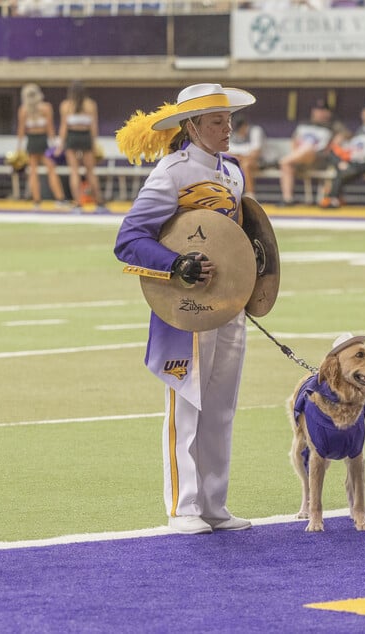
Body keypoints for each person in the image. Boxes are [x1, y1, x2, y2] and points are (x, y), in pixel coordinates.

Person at [113, 83, 257, 535]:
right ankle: (182, 505)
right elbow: (129, 240)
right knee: (186, 404)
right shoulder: (170, 174)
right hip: (186, 307)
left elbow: (239, 239)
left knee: (221, 407)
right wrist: (177, 264)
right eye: (216, 121)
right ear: (192, 127)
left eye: (229, 120)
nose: (227, 128)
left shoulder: (233, 173)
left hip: (228, 306)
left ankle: (214, 503)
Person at [319, 102, 365, 209]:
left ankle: (332, 198)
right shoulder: (362, 128)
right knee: (333, 155)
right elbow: (354, 145)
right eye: (364, 113)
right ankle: (334, 196)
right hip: (353, 159)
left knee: (343, 172)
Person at [277, 99, 343, 206]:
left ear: (328, 113)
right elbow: (295, 140)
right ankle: (287, 199)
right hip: (299, 157)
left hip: (319, 158)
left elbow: (342, 139)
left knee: (307, 148)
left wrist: (337, 140)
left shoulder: (333, 126)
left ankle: (283, 160)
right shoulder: (304, 124)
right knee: (287, 164)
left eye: (323, 110)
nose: (319, 113)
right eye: (317, 110)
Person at [16, 83, 69, 209]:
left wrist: (19, 147)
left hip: (33, 141)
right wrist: (55, 145)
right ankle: (59, 199)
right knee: (49, 169)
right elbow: (50, 129)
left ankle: (37, 201)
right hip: (40, 140)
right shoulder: (45, 108)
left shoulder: (24, 109)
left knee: (33, 171)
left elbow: (21, 131)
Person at [57, 81, 107, 213]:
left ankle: (78, 205)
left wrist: (60, 145)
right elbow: (93, 127)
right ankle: (99, 204)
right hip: (85, 137)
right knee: (90, 171)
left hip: (72, 137)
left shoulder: (66, 105)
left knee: (74, 171)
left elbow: (63, 127)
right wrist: (94, 144)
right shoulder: (90, 104)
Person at [229, 115, 266, 198]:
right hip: (236, 160)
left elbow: (256, 153)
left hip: (258, 162)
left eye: (240, 129)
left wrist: (240, 157)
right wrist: (237, 157)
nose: (239, 132)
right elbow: (226, 151)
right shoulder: (232, 132)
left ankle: (250, 195)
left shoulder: (255, 131)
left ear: (245, 126)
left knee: (245, 165)